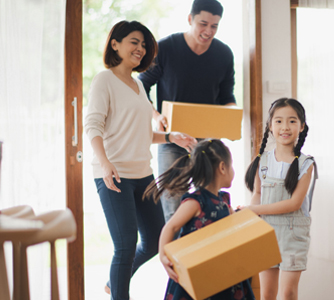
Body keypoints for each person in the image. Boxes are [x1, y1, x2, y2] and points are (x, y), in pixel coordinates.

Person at [84, 20, 197, 300]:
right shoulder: (104, 80)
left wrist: (171, 138)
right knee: (125, 245)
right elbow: (93, 126)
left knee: (155, 240)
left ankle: (114, 282)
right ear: (115, 44)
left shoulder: (137, 85)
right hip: (115, 175)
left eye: (144, 45)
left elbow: (143, 134)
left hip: (142, 175)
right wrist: (105, 162)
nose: (140, 48)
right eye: (134, 41)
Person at [138, 0, 236, 223]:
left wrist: (230, 120)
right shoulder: (166, 48)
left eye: (214, 26)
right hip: (173, 141)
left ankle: (202, 256)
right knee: (173, 208)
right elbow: (141, 86)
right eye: (203, 24)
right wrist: (156, 116)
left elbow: (227, 97)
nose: (208, 31)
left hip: (208, 144)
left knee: (210, 207)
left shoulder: (224, 54)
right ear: (190, 19)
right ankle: (175, 256)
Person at [144, 139, 254, 300]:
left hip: (222, 271)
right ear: (223, 168)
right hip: (198, 272)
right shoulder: (196, 201)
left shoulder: (224, 201)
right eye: (231, 166)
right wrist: (163, 255)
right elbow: (171, 227)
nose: (233, 171)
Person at [244, 98, 317, 300]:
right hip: (266, 233)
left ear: (302, 126)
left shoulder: (306, 164)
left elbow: (294, 203)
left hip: (293, 236)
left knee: (288, 293)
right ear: (270, 125)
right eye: (278, 121)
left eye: (292, 121)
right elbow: (258, 194)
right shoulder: (262, 160)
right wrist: (250, 211)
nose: (285, 127)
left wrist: (256, 210)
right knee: (266, 293)